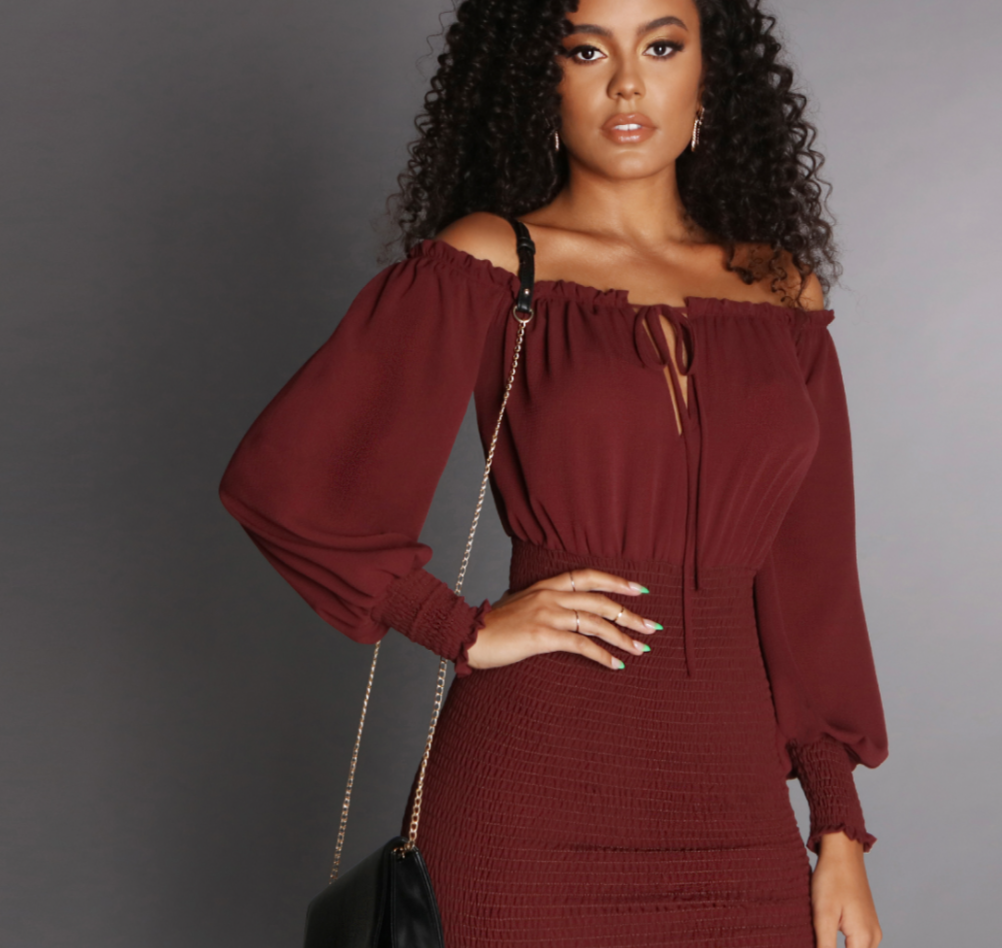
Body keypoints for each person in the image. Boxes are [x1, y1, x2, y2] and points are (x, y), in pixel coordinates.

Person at [217, 0, 888, 944]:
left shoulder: (780, 292)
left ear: (710, 72)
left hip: (734, 805)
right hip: (531, 790)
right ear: (540, 80)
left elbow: (810, 580)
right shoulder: (490, 261)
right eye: (585, 50)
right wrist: (458, 627)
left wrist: (836, 826)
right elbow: (289, 483)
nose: (628, 83)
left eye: (662, 45)